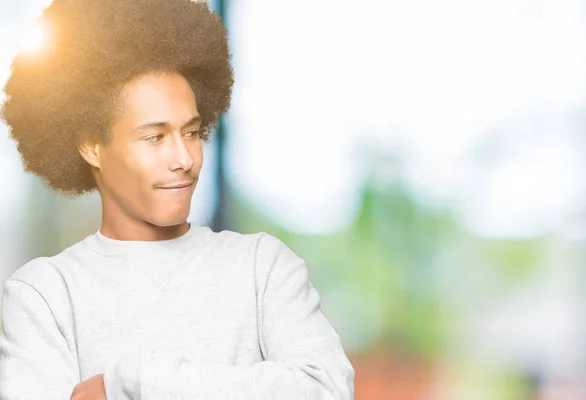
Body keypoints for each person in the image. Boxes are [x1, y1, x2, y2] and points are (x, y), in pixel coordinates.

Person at [0, 0, 355, 399]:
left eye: (191, 132)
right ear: (91, 146)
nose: (185, 159)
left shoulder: (262, 267)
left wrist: (133, 383)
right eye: (154, 137)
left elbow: (326, 388)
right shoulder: (45, 294)